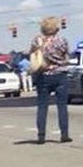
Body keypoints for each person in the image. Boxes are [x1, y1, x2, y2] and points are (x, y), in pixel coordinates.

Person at [30, 16, 72, 144]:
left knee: (42, 106)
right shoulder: (61, 40)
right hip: (60, 75)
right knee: (62, 106)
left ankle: (41, 135)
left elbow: (32, 55)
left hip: (43, 75)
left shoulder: (37, 41)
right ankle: (64, 134)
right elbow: (66, 56)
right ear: (57, 28)